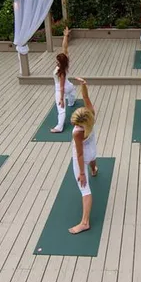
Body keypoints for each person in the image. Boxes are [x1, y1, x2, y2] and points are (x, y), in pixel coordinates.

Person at [69, 78, 99, 234]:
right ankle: (94, 169)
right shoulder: (91, 115)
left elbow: (79, 154)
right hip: (92, 151)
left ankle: (85, 222)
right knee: (92, 160)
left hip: (83, 155)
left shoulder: (78, 132)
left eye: (76, 123)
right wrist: (83, 85)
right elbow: (86, 98)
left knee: (84, 189)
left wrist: (82, 173)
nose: (74, 124)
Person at [51, 27, 76, 133]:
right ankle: (71, 102)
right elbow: (64, 47)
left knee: (61, 109)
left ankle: (59, 127)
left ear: (60, 62)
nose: (56, 61)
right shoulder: (65, 62)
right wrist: (65, 36)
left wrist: (61, 99)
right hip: (69, 86)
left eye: (57, 61)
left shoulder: (60, 72)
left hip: (61, 89)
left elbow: (61, 87)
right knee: (72, 90)